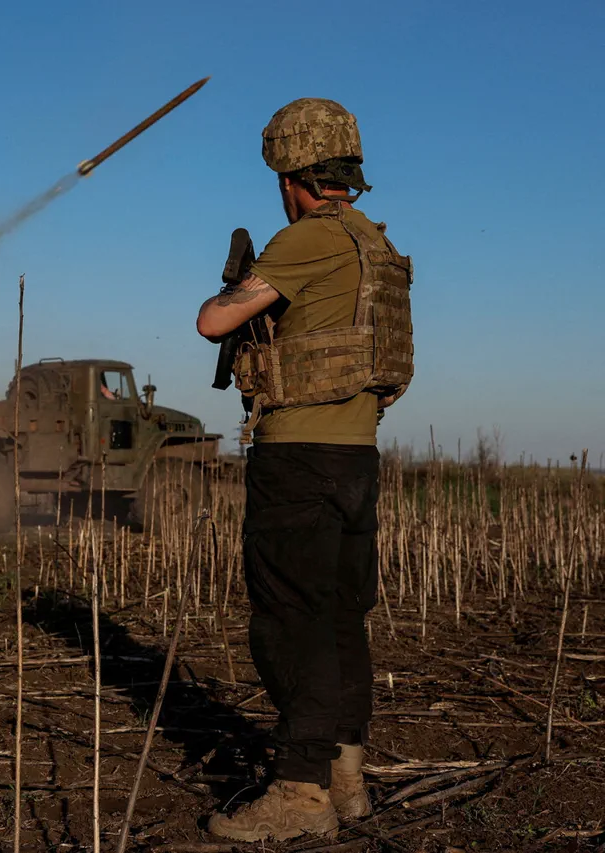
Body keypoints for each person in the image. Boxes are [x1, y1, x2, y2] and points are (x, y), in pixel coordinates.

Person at [193, 98, 414, 843]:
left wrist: (234, 285)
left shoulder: (308, 237)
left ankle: (299, 791)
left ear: (291, 176)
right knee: (341, 617)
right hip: (356, 457)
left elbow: (213, 321)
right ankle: (345, 778)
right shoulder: (374, 242)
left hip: (298, 458)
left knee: (291, 621)